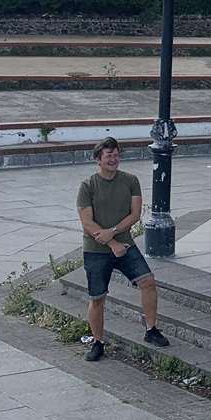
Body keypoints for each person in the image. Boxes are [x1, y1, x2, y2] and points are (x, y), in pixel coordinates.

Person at [76, 137, 169, 361]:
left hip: (126, 244)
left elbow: (135, 215)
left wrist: (115, 232)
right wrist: (111, 242)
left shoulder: (130, 181)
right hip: (97, 249)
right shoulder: (87, 186)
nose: (114, 159)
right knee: (97, 297)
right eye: (109, 156)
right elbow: (87, 223)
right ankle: (97, 342)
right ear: (98, 159)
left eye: (116, 155)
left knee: (147, 281)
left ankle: (151, 329)